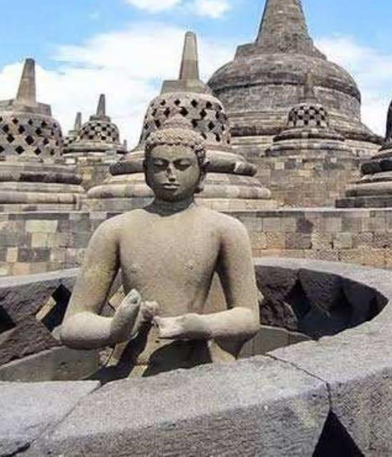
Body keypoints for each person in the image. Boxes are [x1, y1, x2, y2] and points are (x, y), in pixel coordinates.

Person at [60, 116, 261, 378]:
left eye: (182, 165)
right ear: (145, 171)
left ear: (203, 172)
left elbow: (248, 316)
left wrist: (202, 325)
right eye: (160, 165)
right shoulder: (114, 230)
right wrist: (115, 329)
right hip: (132, 369)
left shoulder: (226, 230)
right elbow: (73, 325)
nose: (170, 174)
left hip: (200, 367)